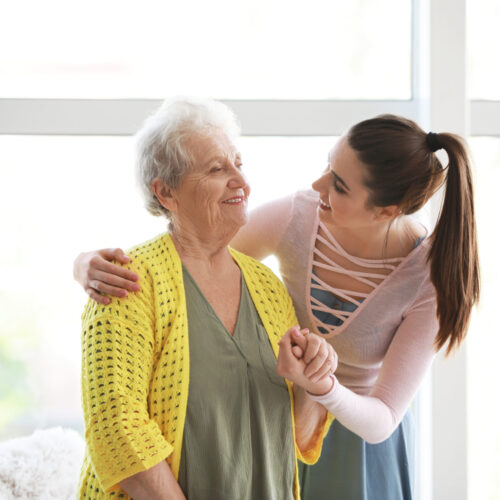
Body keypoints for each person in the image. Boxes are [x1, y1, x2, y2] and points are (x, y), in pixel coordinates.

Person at [75, 113, 479, 500]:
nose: (317, 184)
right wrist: (85, 266)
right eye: (327, 166)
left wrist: (320, 385)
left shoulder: (428, 279)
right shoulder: (300, 216)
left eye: (339, 185)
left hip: (350, 437)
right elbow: (194, 249)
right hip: (287, 424)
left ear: (387, 211)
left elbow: (381, 418)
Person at [77, 97, 336, 500]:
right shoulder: (126, 283)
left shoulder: (267, 288)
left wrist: (314, 385)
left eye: (239, 164)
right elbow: (116, 427)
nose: (242, 182)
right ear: (166, 193)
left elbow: (294, 437)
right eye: (217, 169)